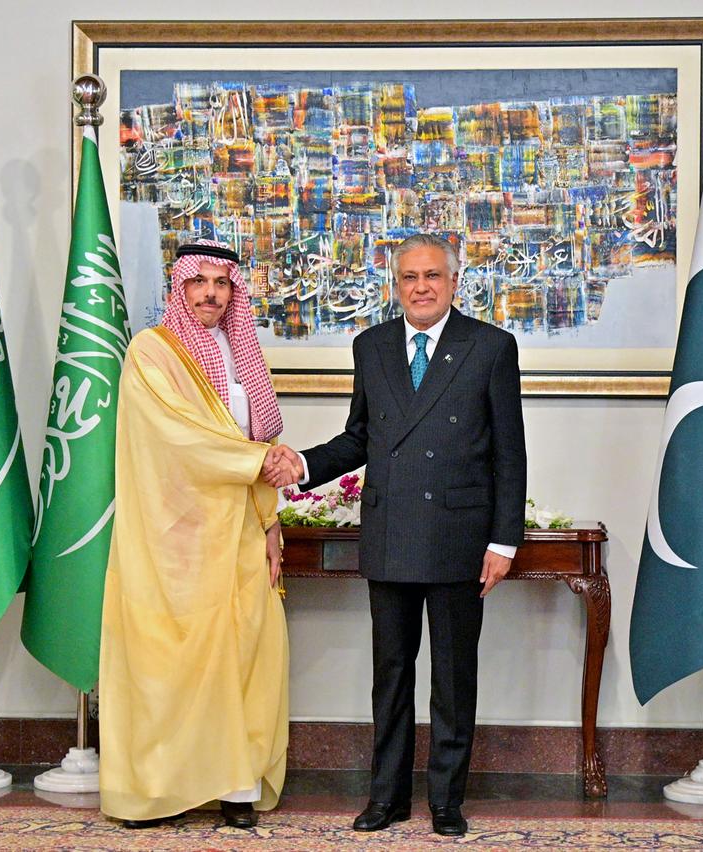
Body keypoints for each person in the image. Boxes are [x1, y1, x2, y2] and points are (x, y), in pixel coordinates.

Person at [266, 232, 527, 836]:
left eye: (432, 275)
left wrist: (503, 541)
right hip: (389, 534)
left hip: (461, 537)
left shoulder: (491, 346)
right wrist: (302, 465)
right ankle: (386, 797)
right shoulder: (372, 346)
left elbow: (509, 453)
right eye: (409, 277)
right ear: (395, 285)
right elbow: (361, 436)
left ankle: (447, 801)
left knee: (454, 677)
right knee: (390, 675)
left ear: (454, 281)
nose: (421, 287)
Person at [99, 239, 300, 830]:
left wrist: (270, 521)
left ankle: (236, 788)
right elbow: (178, 437)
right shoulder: (152, 352)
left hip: (240, 528)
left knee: (242, 654)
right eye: (199, 282)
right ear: (180, 288)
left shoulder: (240, 352)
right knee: (171, 659)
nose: (211, 294)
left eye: (222, 283)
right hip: (174, 534)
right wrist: (258, 462)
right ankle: (159, 791)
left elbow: (254, 440)